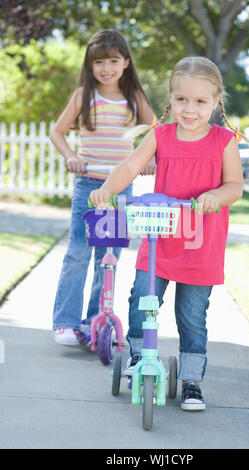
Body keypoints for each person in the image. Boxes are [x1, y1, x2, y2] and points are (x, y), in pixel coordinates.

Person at [89, 56, 243, 410]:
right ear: (170, 99)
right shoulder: (160, 136)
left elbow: (234, 186)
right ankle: (139, 357)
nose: (190, 109)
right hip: (160, 238)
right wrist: (108, 189)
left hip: (200, 243)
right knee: (143, 298)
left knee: (191, 314)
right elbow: (129, 166)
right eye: (181, 100)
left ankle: (191, 381)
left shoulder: (224, 141)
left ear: (216, 102)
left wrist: (215, 195)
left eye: (201, 101)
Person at [50, 29, 155, 346]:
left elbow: (157, 133)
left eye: (113, 60)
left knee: (108, 257)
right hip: (88, 185)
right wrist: (71, 156)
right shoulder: (85, 95)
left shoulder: (134, 97)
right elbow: (57, 132)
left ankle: (96, 319)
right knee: (79, 253)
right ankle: (66, 323)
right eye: (99, 62)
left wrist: (152, 159)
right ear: (90, 65)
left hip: (121, 189)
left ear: (125, 62)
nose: (106, 68)